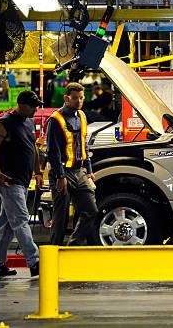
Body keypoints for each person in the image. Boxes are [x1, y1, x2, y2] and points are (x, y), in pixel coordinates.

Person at [0, 90, 43, 277]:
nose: (36, 109)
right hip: (10, 181)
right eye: (33, 105)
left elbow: (32, 146)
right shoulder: (5, 123)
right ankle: (35, 262)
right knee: (20, 220)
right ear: (22, 104)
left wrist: (38, 171)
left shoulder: (28, 121)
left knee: (8, 224)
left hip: (23, 180)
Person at [47, 82, 100, 246]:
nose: (79, 101)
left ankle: (73, 246)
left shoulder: (82, 116)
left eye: (82, 98)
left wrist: (89, 169)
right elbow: (53, 151)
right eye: (75, 98)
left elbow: (84, 144)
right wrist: (60, 176)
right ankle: (54, 254)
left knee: (91, 210)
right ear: (66, 98)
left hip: (79, 171)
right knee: (61, 216)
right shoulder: (55, 120)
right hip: (61, 171)